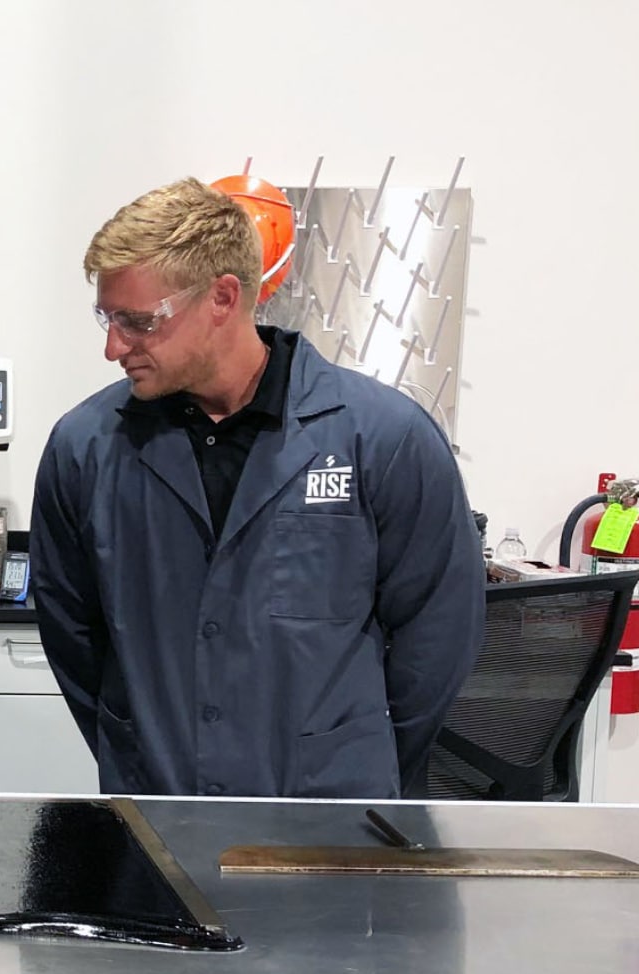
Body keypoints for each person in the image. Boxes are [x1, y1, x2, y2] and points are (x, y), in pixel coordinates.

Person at [31, 177, 483, 799]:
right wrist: (137, 743)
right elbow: (73, 636)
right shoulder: (87, 449)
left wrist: (354, 763)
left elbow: (438, 636)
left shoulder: (383, 438)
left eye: (138, 322)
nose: (114, 347)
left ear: (222, 297)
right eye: (107, 320)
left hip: (329, 824)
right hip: (157, 807)